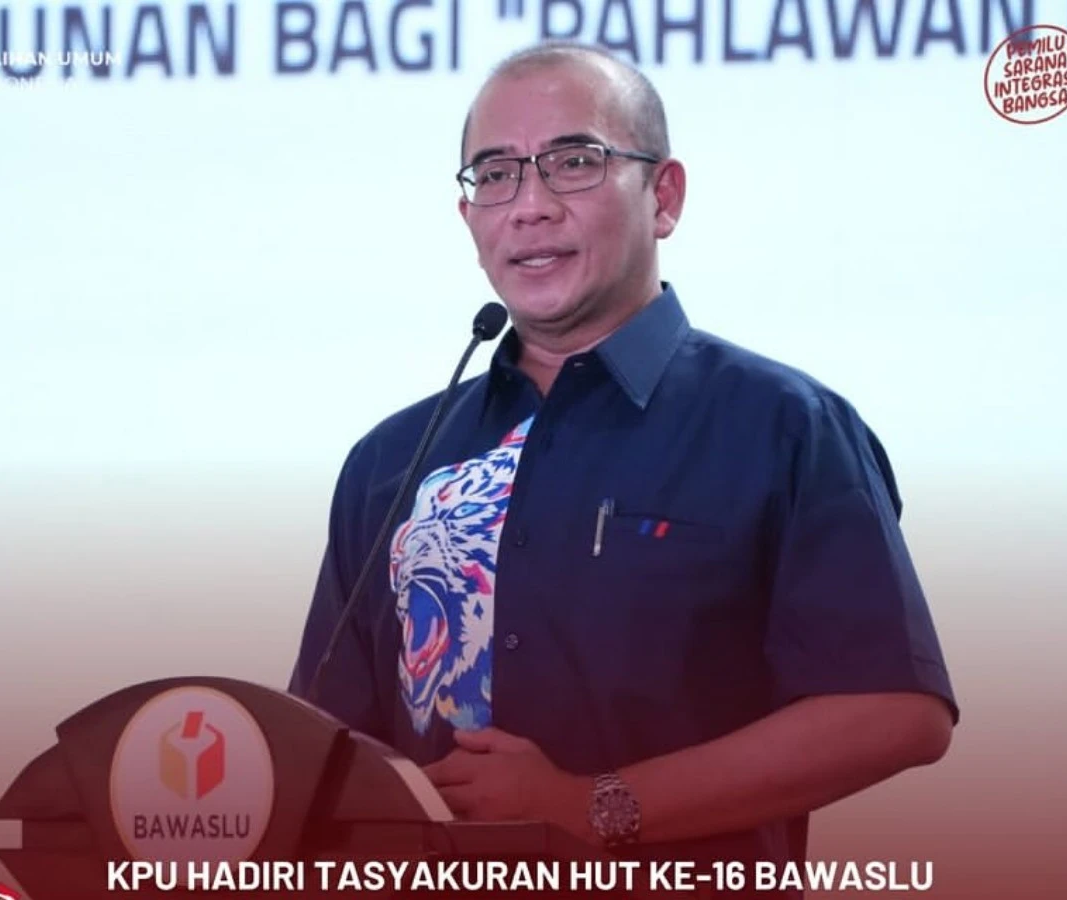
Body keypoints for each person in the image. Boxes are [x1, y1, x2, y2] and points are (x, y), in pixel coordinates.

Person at [288, 40, 958, 890]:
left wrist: (590, 805)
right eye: (495, 174)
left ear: (663, 197)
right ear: (469, 217)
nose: (529, 207)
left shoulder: (783, 425)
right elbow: (321, 740)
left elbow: (894, 711)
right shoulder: (393, 461)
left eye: (574, 162)